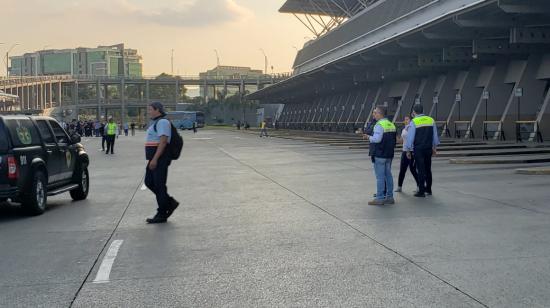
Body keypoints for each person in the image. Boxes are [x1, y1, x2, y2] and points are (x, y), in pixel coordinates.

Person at [144, 102, 179, 224]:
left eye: (150, 109)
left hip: (160, 158)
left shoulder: (162, 122)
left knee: (159, 185)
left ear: (157, 110)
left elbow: (163, 142)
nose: (149, 112)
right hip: (154, 158)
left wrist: (155, 159)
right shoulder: (156, 123)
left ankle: (162, 212)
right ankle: (169, 202)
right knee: (149, 182)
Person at [405, 104, 440, 197]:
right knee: (428, 169)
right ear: (423, 110)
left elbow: (410, 138)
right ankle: (428, 189)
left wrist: (408, 150)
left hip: (418, 149)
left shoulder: (414, 121)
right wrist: (434, 148)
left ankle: (421, 191)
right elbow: (435, 137)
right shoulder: (431, 120)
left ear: (414, 112)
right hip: (428, 148)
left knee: (420, 170)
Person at [364, 106, 396, 206]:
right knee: (388, 176)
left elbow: (377, 139)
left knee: (380, 177)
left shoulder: (379, 124)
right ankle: (390, 197)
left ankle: (379, 198)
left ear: (380, 114)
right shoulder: (391, 124)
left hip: (380, 154)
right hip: (389, 154)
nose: (374, 115)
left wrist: (368, 137)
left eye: (375, 113)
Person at [396, 115, 420, 193]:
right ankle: (399, 187)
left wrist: (409, 151)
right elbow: (400, 141)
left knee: (413, 169)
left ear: (411, 120)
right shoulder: (404, 129)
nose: (405, 121)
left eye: (407, 119)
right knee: (402, 170)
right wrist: (395, 135)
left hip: (411, 151)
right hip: (404, 151)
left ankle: (419, 186)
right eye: (405, 119)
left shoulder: (412, 129)